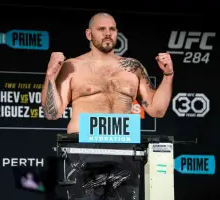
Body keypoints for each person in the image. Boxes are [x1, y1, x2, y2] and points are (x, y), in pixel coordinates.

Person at [41, 12, 174, 200]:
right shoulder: (73, 66)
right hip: (83, 150)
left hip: (124, 151)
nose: (108, 33)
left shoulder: (133, 67)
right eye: (101, 29)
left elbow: (157, 110)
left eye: (112, 29)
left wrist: (168, 76)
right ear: (89, 34)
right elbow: (51, 113)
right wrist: (50, 75)